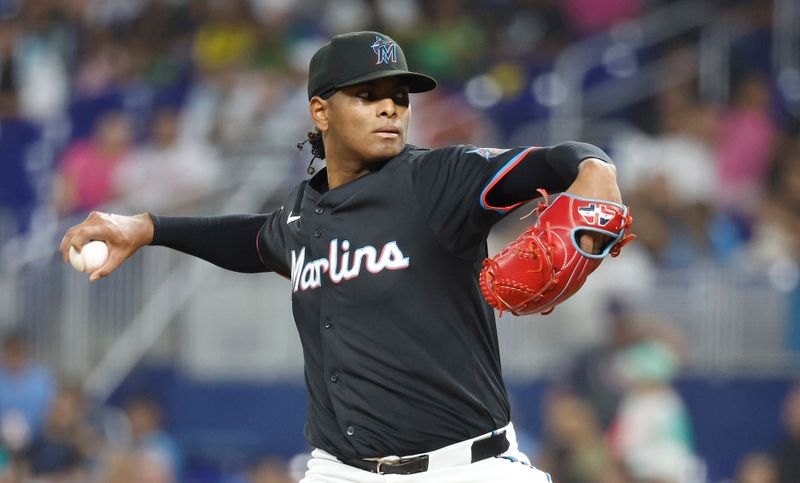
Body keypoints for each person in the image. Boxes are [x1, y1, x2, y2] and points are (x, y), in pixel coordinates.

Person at [60, 31, 625, 482]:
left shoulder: (439, 179)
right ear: (321, 112)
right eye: (368, 95)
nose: (390, 109)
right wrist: (148, 226)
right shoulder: (303, 213)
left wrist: (595, 167)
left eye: (399, 98)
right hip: (340, 470)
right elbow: (253, 239)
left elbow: (552, 162)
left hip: (465, 467)